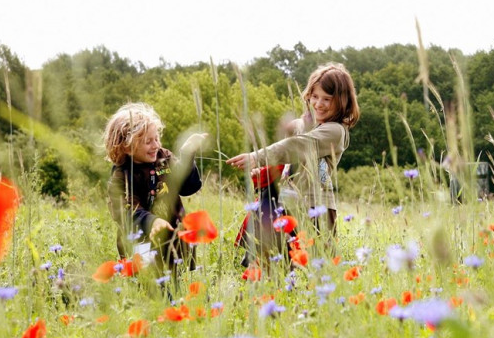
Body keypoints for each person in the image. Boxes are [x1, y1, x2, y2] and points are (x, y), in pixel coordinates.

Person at [227, 63, 360, 241]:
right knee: (278, 261)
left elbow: (296, 146)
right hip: (288, 201)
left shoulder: (335, 131)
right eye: (314, 96)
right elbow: (292, 157)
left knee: (312, 261)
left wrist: (256, 157)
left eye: (327, 99)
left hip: (315, 207)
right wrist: (267, 172)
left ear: (342, 101)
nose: (319, 104)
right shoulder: (307, 124)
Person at [104, 102, 207, 272]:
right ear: (126, 146)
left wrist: (187, 155)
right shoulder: (121, 176)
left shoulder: (164, 158)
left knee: (179, 283)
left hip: (174, 236)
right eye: (148, 141)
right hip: (140, 241)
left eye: (157, 138)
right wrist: (151, 222)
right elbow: (125, 209)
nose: (156, 145)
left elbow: (188, 187)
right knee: (150, 286)